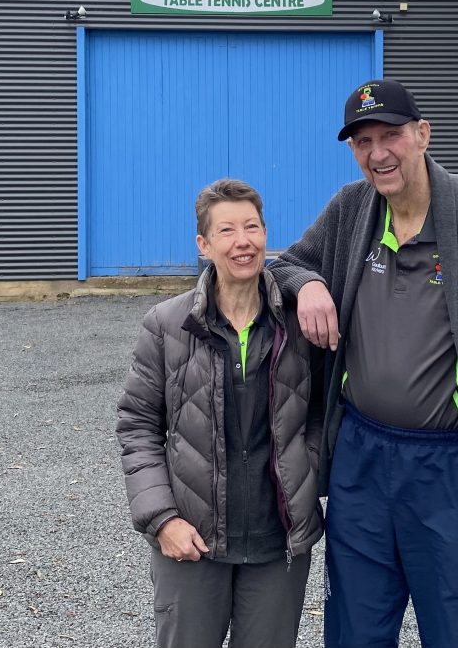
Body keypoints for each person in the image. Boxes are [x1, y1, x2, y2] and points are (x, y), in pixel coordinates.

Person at [271, 79, 458, 648]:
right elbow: (285, 265)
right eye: (362, 142)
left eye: (391, 135)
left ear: (423, 135)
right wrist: (307, 283)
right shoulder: (351, 209)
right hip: (360, 461)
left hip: (451, 467)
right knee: (355, 627)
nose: (378, 153)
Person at [117, 179, 323, 648]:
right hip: (192, 543)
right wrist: (162, 519)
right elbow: (137, 427)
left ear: (266, 235)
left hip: (276, 544)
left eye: (252, 227)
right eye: (226, 231)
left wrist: (309, 473)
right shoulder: (168, 325)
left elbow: (323, 413)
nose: (242, 242)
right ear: (204, 244)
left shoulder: (298, 323)